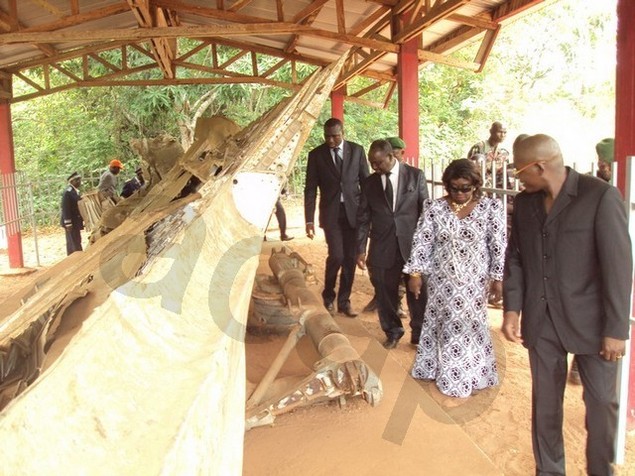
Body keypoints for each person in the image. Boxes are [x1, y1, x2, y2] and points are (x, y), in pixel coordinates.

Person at [502, 134, 632, 476]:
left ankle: (600, 471)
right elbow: (515, 257)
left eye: (519, 172)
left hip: (594, 324)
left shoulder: (600, 197)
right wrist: (513, 309)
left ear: (539, 167)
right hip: (542, 322)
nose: (518, 179)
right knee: (545, 404)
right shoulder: (526, 204)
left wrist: (616, 329)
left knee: (602, 405)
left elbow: (619, 267)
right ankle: (549, 470)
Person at [404, 159, 505, 397]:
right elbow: (422, 241)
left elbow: (498, 245)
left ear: (475, 185)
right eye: (454, 188)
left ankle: (466, 375)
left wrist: (498, 278)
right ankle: (440, 370)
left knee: (466, 324)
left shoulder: (491, 208)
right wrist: (415, 274)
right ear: (447, 185)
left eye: (465, 188)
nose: (459, 193)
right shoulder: (434, 207)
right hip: (441, 280)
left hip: (474, 282)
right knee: (443, 322)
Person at [356, 139, 428, 349]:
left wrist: (426, 246)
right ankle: (393, 331)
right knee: (385, 291)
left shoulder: (415, 176)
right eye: (371, 163)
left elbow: (426, 213)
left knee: (418, 292)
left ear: (391, 156)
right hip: (382, 245)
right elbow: (363, 217)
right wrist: (360, 248)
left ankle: (419, 332)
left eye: (378, 162)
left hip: (412, 245)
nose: (374, 167)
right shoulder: (369, 183)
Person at [304, 117, 369, 316]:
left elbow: (366, 184)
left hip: (353, 213)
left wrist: (368, 215)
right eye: (327, 137)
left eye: (335, 136)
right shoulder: (316, 155)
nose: (331, 141)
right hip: (331, 214)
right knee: (337, 255)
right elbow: (310, 189)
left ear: (343, 133)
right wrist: (309, 219)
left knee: (350, 259)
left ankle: (344, 301)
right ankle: (328, 295)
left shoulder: (357, 151)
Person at [363, 135, 408, 315]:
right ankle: (382, 298)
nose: (375, 167)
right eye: (372, 163)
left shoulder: (411, 175)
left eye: (397, 153)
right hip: (381, 236)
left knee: (403, 273)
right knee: (375, 268)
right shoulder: (373, 180)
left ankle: (397, 302)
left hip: (404, 237)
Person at [60, 171, 84, 255]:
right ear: (71, 181)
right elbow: (65, 208)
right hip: (71, 222)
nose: (79, 182)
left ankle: (76, 255)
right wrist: (68, 223)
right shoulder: (68, 192)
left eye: (79, 180)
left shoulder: (74, 191)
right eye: (76, 180)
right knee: (73, 241)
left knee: (76, 239)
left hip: (75, 221)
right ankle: (75, 256)